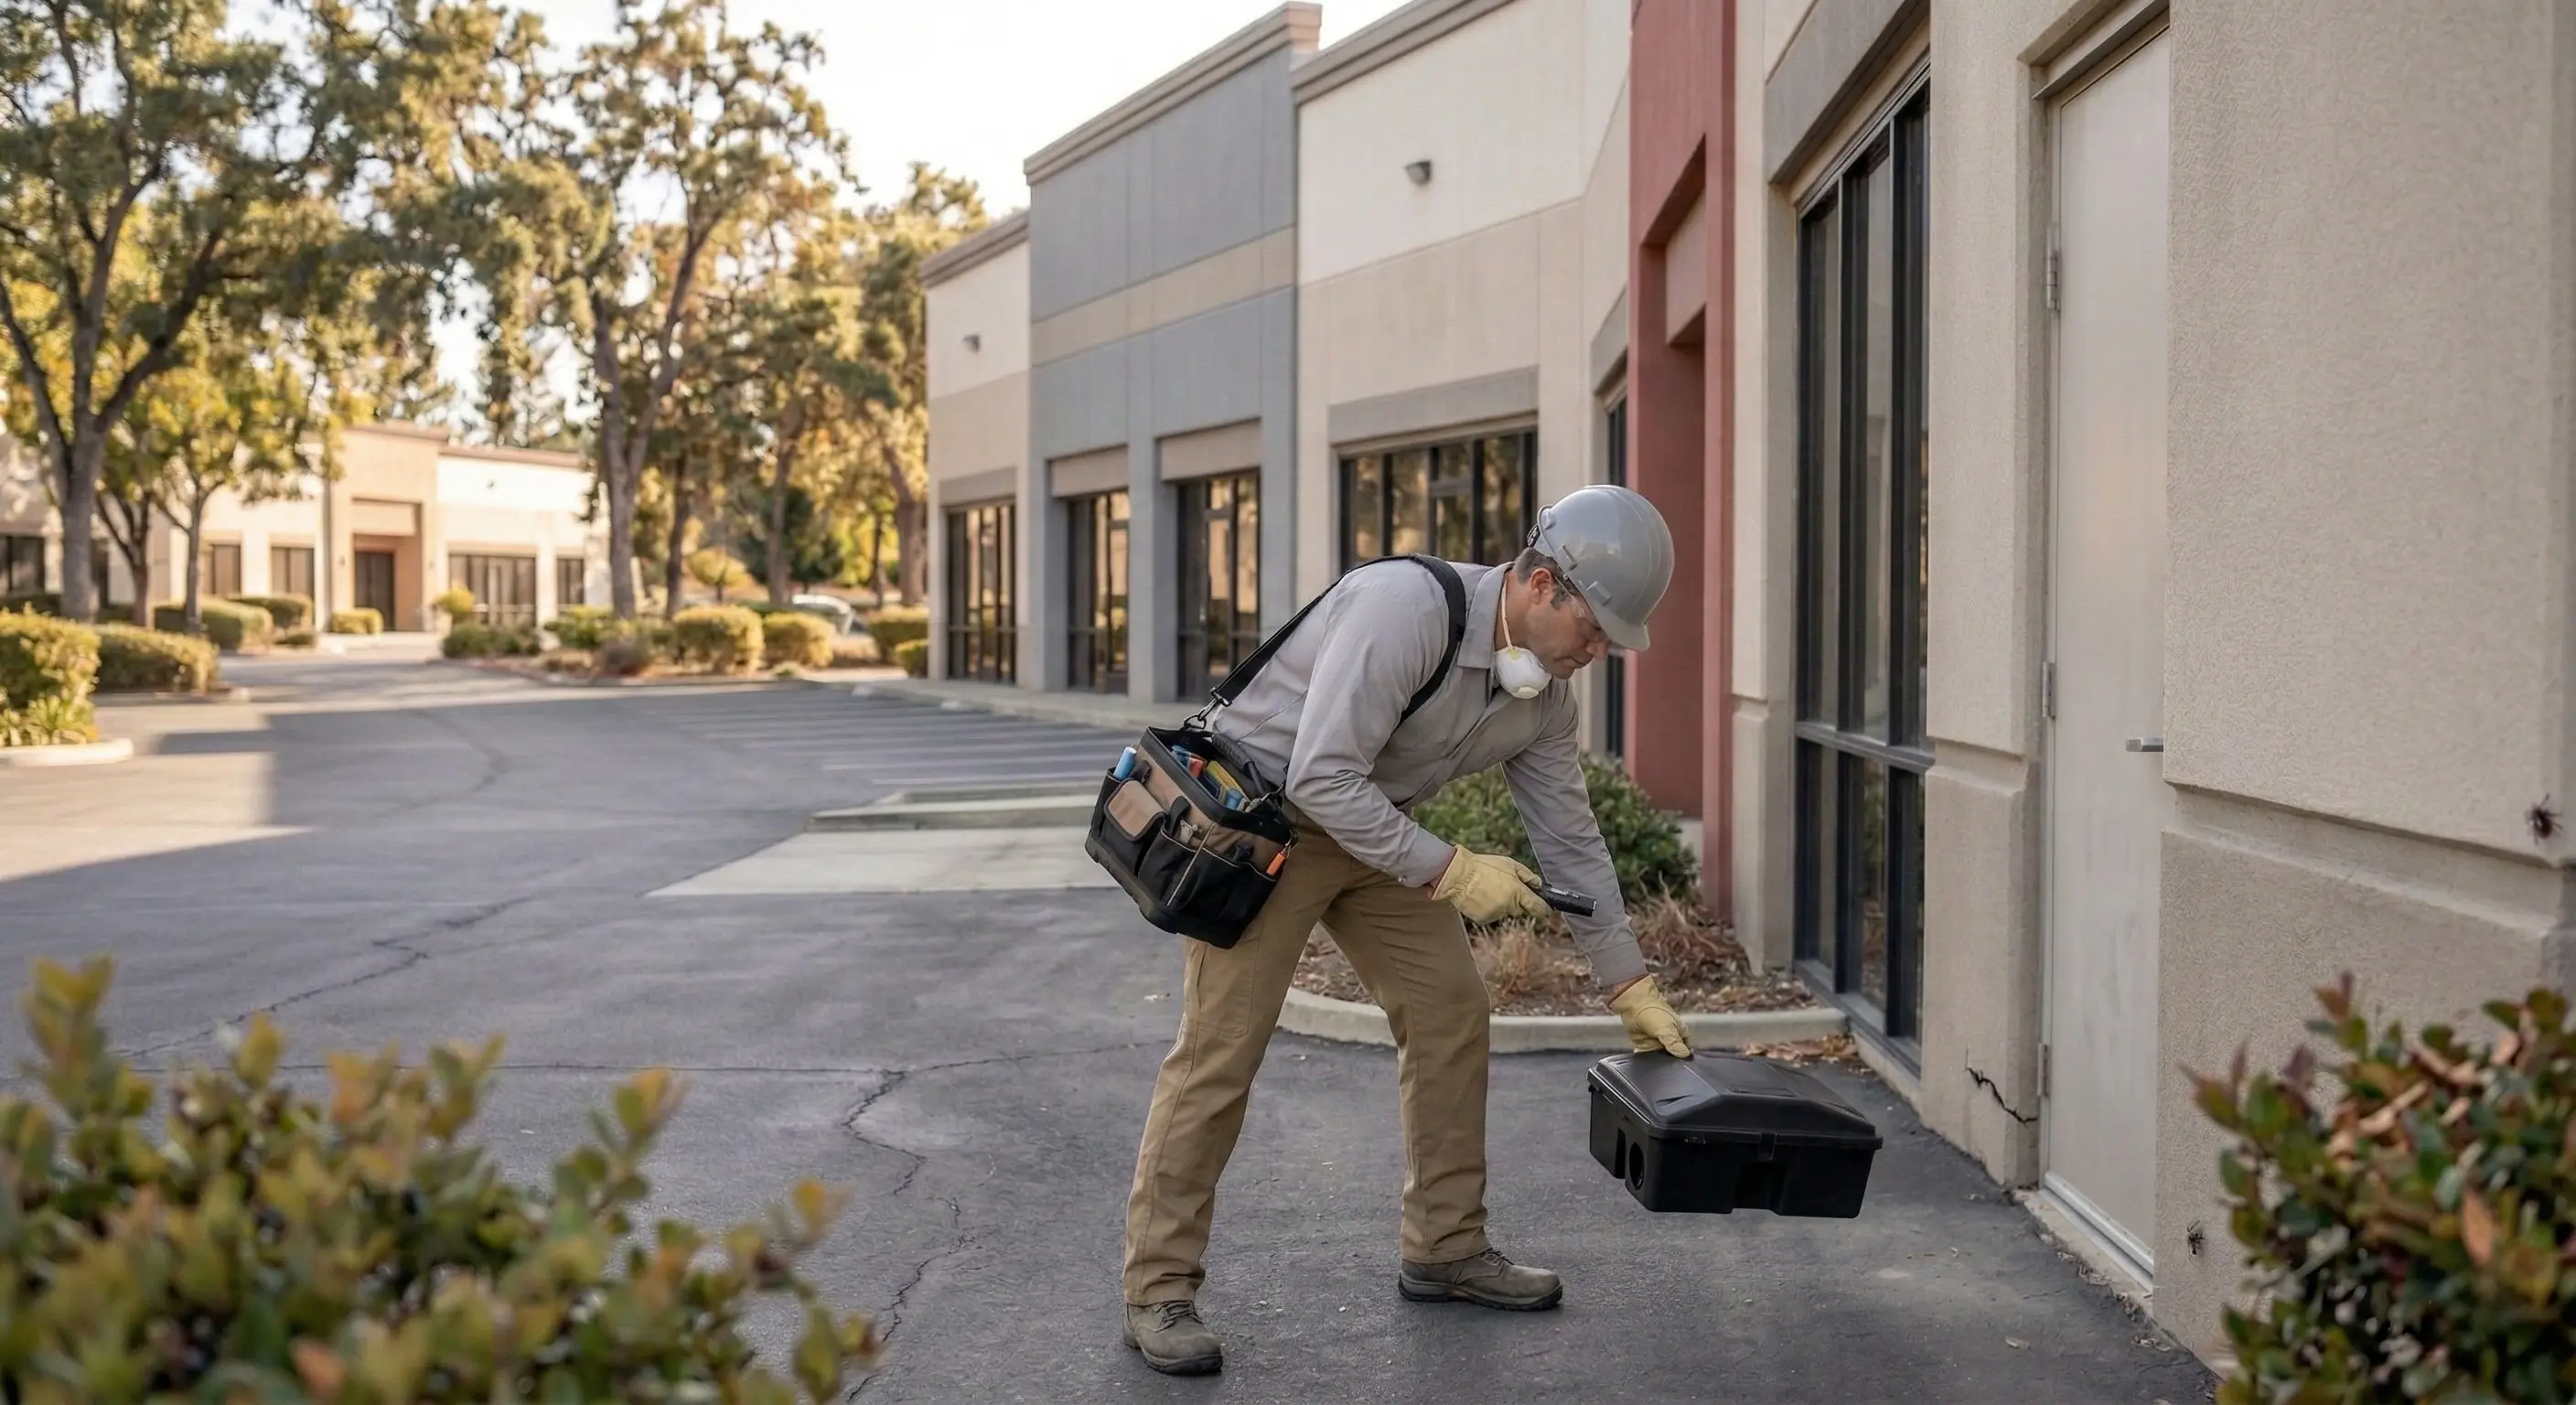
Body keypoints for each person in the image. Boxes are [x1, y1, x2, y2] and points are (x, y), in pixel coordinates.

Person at [1121, 484, 1694, 1377]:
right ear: (1541, 584)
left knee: (1449, 1011)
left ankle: (1445, 1246)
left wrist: (1627, 982)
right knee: (1220, 1049)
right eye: (1594, 630)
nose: (1598, 652)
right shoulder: (1406, 612)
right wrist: (1453, 871)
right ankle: (1157, 1286)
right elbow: (1318, 777)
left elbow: (1570, 843)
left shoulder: (1541, 700)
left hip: (1376, 827)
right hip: (1269, 827)